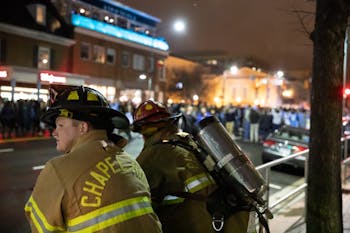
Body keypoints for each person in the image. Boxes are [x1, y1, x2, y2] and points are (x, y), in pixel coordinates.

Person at [24, 86, 162, 233]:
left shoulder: (58, 170)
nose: (54, 133)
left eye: (60, 125)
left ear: (83, 127)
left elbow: (41, 228)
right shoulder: (129, 162)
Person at [131, 100, 249, 233]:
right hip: (224, 222)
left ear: (142, 131)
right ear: (170, 123)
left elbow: (139, 208)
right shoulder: (188, 141)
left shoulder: (150, 157)